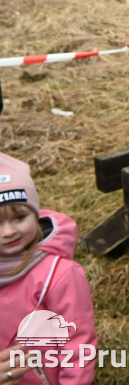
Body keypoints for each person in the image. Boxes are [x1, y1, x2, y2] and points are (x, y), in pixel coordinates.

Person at [1, 154, 97, 385]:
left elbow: (78, 344)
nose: (8, 232)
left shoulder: (60, 275)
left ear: (35, 213)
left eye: (19, 217)